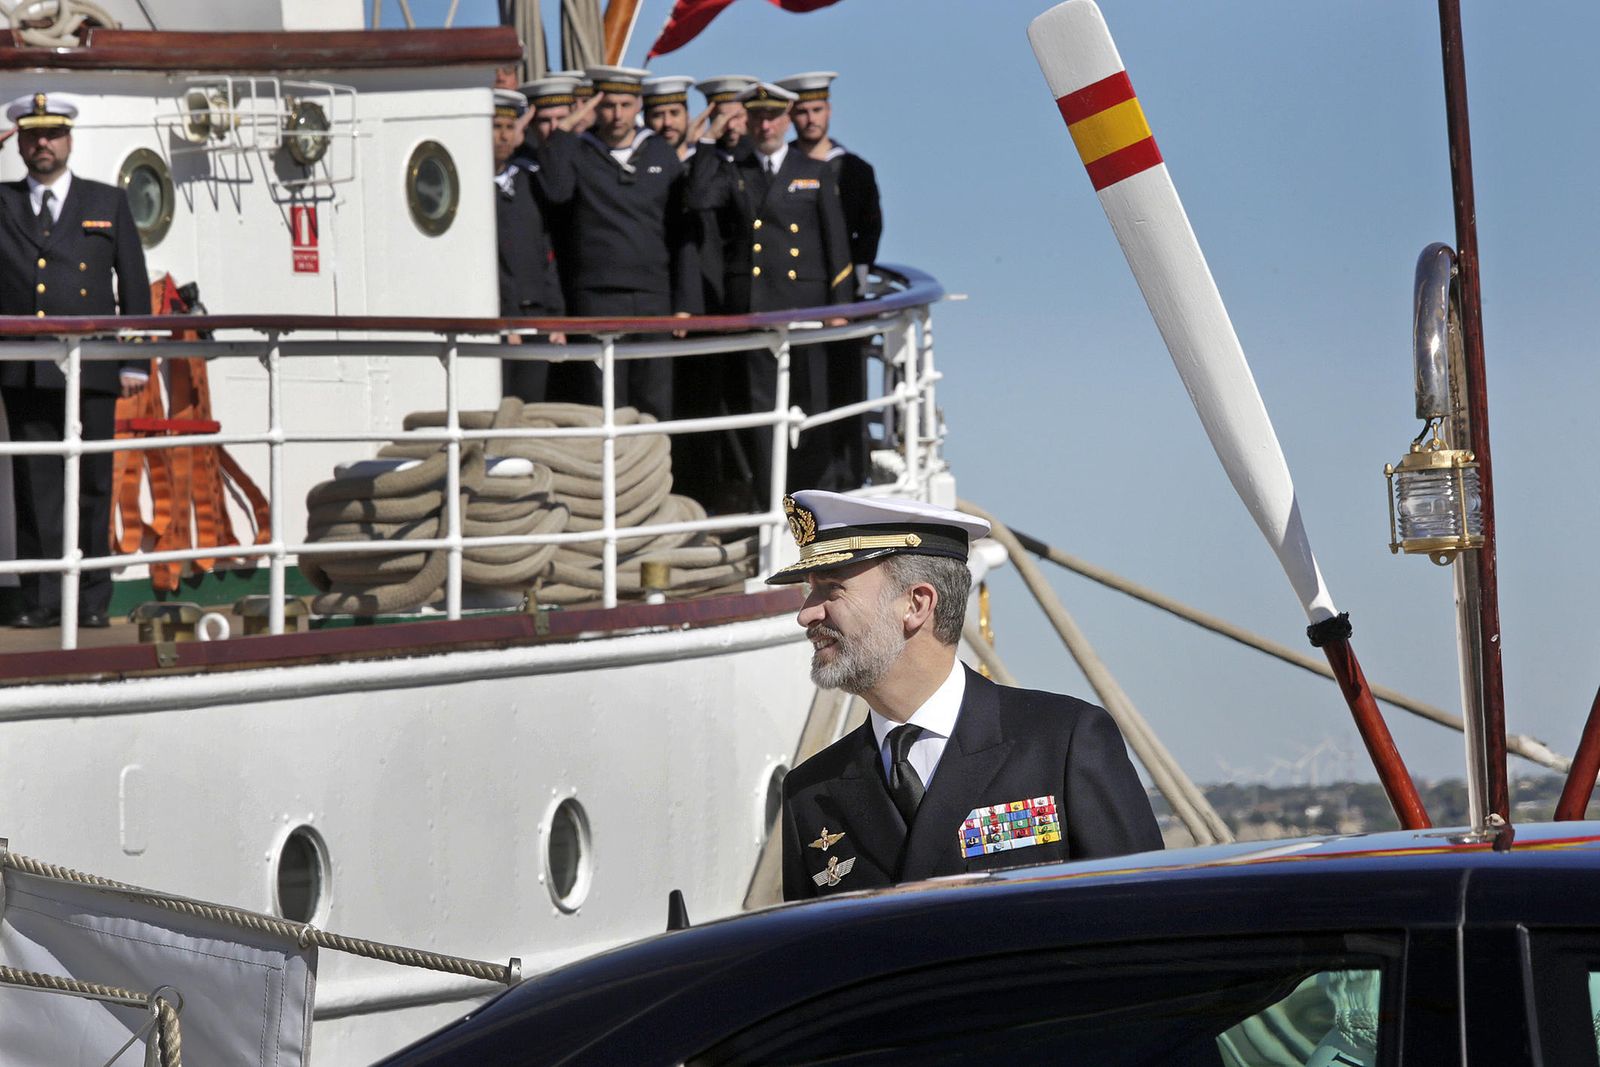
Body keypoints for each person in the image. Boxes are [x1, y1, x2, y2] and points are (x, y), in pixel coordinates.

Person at [770, 491, 1163, 901]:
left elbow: (1145, 919)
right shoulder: (810, 792)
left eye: (831, 590)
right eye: (809, 593)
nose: (806, 614)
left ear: (917, 604)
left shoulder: (1062, 743)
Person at [0, 92, 150, 629]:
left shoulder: (106, 203)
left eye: (52, 133)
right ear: (16, 140)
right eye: (31, 134)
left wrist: (135, 362)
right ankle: (41, 600)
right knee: (36, 486)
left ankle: (91, 600)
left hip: (95, 366)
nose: (43, 143)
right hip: (25, 368)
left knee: (92, 485)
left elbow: (134, 285)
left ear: (69, 139)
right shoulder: (2, 201)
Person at [688, 82, 854, 506]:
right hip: (757, 309)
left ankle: (819, 503)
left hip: (805, 308)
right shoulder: (734, 170)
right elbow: (699, 197)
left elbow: (837, 245)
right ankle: (773, 502)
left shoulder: (812, 170)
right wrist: (709, 139)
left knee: (810, 409)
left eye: (773, 117)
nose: (766, 126)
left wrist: (840, 308)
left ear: (786, 118)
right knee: (764, 414)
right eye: (757, 117)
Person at [533, 65, 700, 419]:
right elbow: (556, 191)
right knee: (603, 403)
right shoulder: (578, 152)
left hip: (654, 297)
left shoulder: (659, 154)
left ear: (638, 104)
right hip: (597, 298)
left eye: (626, 104)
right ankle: (610, 478)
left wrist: (684, 302)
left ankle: (655, 476)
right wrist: (562, 132)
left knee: (654, 403)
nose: (617, 114)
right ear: (595, 106)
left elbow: (680, 232)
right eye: (608, 105)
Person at [778, 71, 883, 488]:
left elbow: (869, 229)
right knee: (799, 389)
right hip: (795, 296)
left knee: (844, 386)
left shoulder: (854, 169)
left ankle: (848, 474)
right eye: (800, 111)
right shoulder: (780, 168)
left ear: (829, 110)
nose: (809, 119)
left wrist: (852, 285)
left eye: (816, 109)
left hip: (842, 301)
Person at [492, 89, 564, 402]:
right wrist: (506, 318)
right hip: (498, 321)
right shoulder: (472, 187)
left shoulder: (528, 182)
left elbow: (544, 252)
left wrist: (556, 317)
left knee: (533, 411)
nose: (504, 137)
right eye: (496, 127)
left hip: (536, 315)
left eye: (510, 128)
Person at [642, 75, 694, 154]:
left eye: (674, 113)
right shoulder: (635, 163)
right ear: (646, 120)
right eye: (658, 115)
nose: (667, 123)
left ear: (687, 116)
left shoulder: (706, 161)